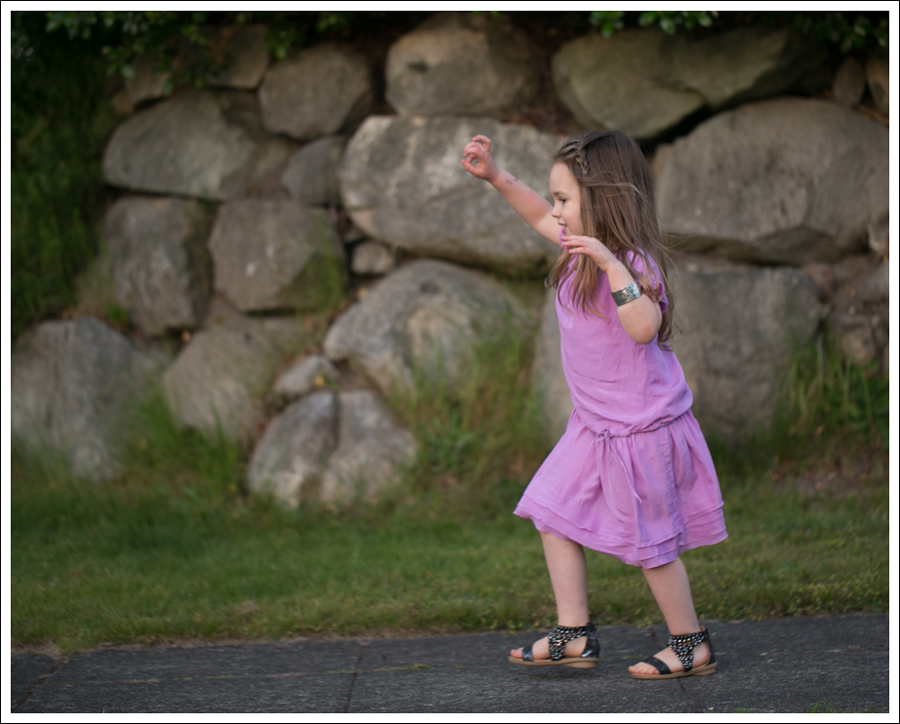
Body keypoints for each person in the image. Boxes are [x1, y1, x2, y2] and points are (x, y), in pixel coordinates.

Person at [460, 131, 727, 679]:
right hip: (593, 427)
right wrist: (495, 176)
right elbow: (534, 211)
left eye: (564, 200)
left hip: (640, 432)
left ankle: (689, 643)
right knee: (551, 509)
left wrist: (613, 268)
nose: (553, 210)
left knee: (651, 545)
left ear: (602, 201)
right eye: (555, 198)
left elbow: (643, 328)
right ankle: (575, 632)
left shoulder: (629, 262)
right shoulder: (575, 247)